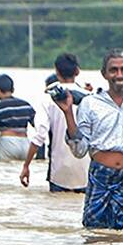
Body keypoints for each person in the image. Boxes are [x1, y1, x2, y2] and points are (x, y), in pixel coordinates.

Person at [59, 49, 123, 229]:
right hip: (100, 176)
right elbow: (80, 150)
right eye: (113, 70)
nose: (119, 75)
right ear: (104, 74)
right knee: (96, 237)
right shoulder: (90, 103)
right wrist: (68, 112)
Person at [21, 57, 91, 193]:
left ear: (57, 73)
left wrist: (26, 165)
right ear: (77, 71)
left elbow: (39, 135)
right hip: (86, 173)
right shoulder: (90, 97)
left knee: (55, 210)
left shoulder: (48, 98)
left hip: (58, 173)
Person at [0, 74, 36, 161]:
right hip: (26, 144)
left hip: (8, 143)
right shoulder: (26, 105)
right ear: (13, 89)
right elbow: (38, 126)